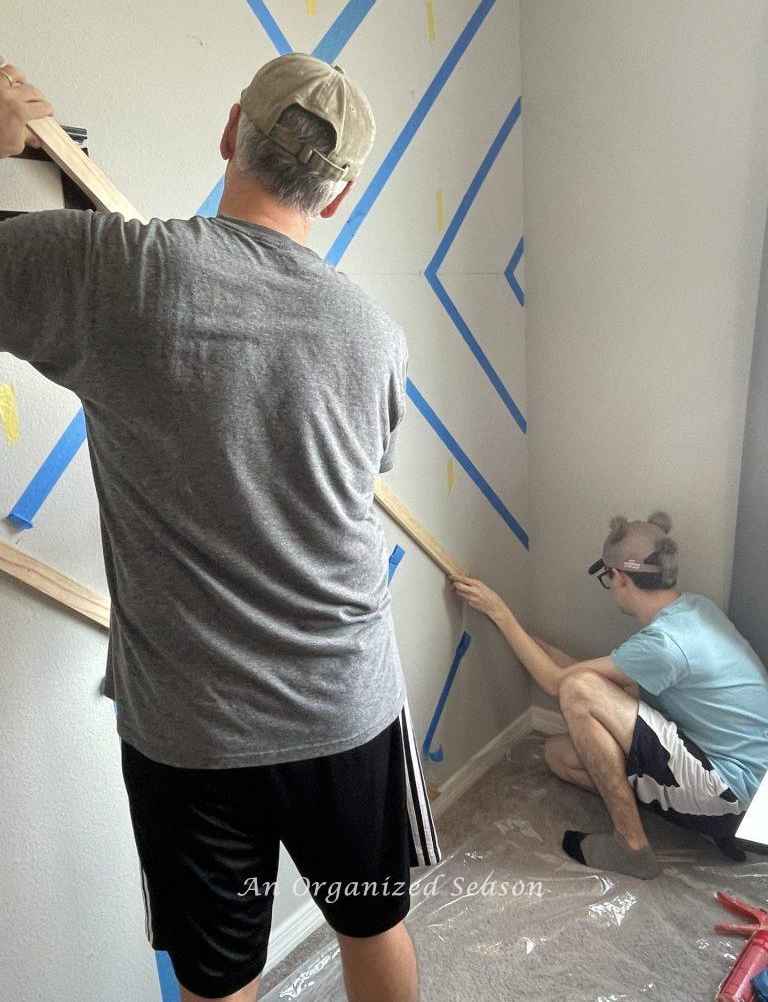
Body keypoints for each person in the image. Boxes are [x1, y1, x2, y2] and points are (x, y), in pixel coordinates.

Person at [0, 53, 441, 1002]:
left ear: (232, 132)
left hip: (192, 736)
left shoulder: (121, 273)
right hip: (346, 707)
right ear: (339, 196)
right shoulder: (374, 333)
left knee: (217, 978)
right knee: (373, 923)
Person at [452, 511, 768, 880]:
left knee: (577, 690)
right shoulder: (695, 610)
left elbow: (563, 684)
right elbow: (600, 679)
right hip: (748, 782)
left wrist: (499, 613)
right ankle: (675, 809)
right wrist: (528, 639)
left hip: (736, 796)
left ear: (617, 576)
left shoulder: (664, 643)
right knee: (560, 755)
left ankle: (631, 845)